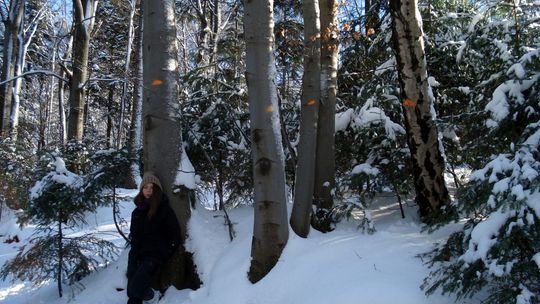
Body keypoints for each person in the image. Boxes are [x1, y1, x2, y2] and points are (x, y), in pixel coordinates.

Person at [127, 171, 181, 304]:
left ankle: (153, 297)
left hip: (154, 257)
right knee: (132, 294)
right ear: (141, 190)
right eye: (146, 187)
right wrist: (132, 261)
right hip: (138, 256)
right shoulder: (137, 212)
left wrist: (165, 253)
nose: (148, 191)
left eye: (152, 188)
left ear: (157, 190)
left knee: (136, 288)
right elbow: (135, 238)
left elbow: (175, 235)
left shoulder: (163, 210)